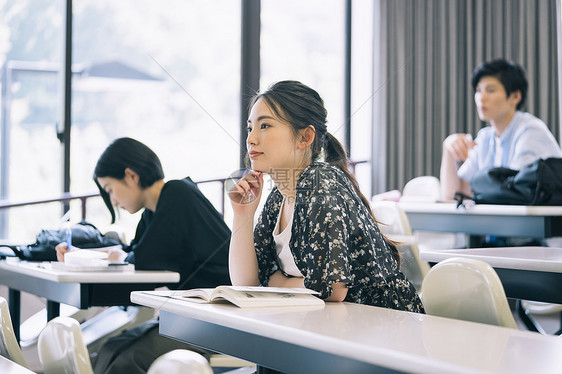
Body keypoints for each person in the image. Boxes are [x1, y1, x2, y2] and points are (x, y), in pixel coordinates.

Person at [228, 80, 424, 313]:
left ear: (304, 137)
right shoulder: (277, 197)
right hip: (337, 325)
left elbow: (332, 289)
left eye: (265, 126)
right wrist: (242, 215)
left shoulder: (321, 183)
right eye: (250, 128)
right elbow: (246, 284)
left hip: (388, 328)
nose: (251, 139)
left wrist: (275, 281)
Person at [56, 137, 231, 374]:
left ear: (131, 176)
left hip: (221, 326)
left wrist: (103, 256)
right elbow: (133, 253)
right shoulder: (154, 211)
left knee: (127, 359)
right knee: (110, 348)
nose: (114, 201)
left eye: (110, 190)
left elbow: (142, 260)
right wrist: (81, 254)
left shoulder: (176, 193)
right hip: (192, 319)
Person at [440, 59, 561, 200]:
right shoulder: (485, 138)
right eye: (478, 90)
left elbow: (516, 194)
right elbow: (453, 195)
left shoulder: (530, 131)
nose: (481, 98)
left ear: (515, 96)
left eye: (490, 90)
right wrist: (448, 149)